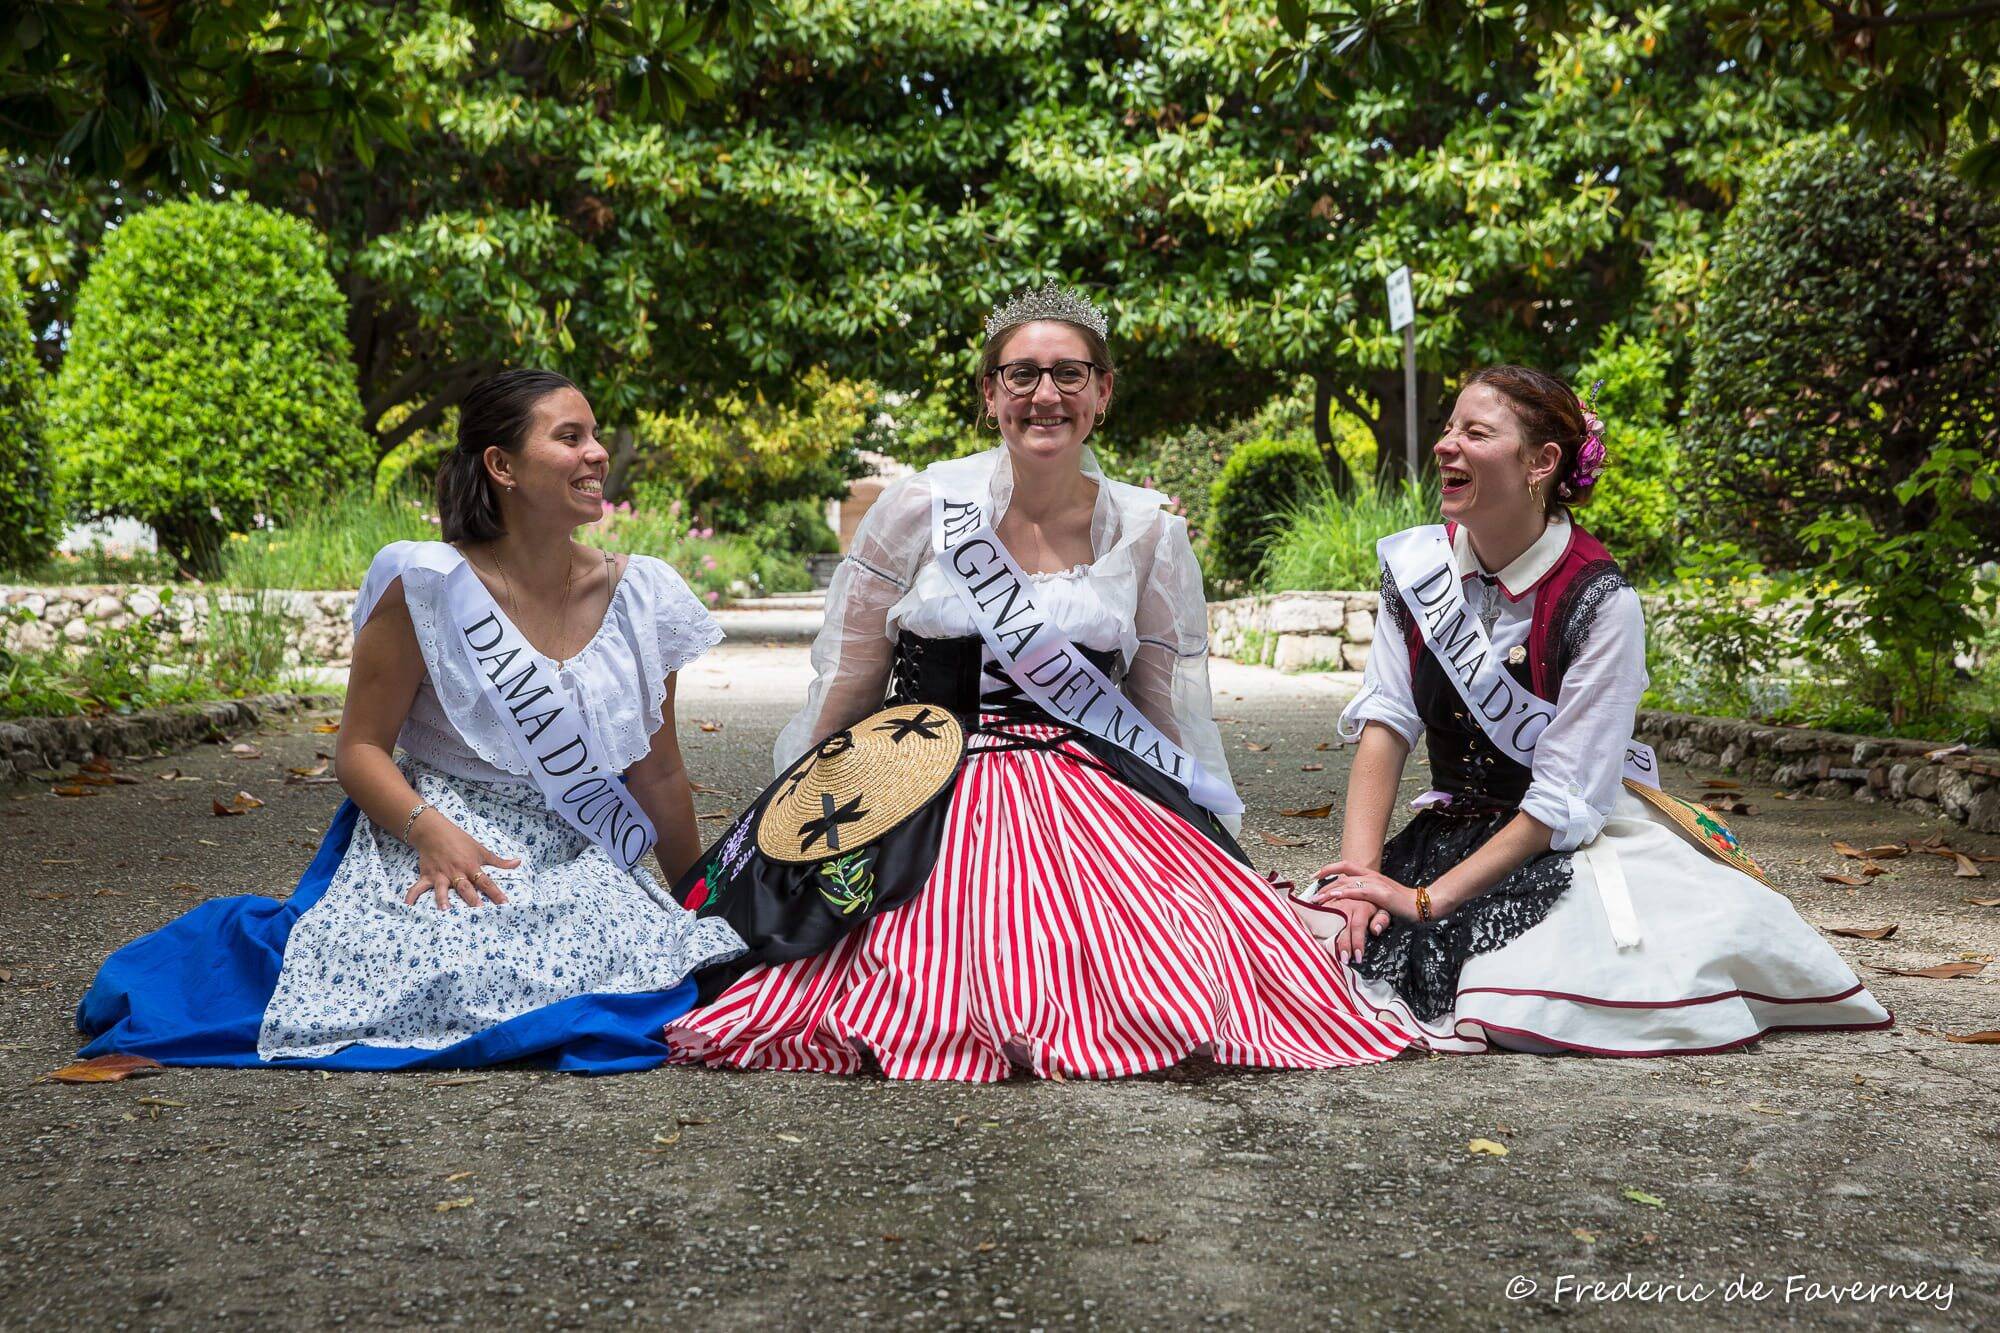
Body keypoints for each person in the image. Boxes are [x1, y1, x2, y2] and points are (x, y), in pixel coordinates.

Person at [663, 284, 1411, 1080]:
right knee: (855, 963)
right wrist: (794, 830)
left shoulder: (1148, 528)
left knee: (1175, 970)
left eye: (1069, 374)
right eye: (1020, 375)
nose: (1044, 395)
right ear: (989, 394)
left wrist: (1205, 843)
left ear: (1103, 392)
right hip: (920, 783)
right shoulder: (918, 508)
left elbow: (1162, 708)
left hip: (1089, 790)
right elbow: (848, 685)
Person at [77, 369, 744, 1072]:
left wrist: (692, 904)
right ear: (502, 465)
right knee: (453, 966)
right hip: (446, 828)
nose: (597, 453)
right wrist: (431, 833)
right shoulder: (428, 585)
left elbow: (659, 771)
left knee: (634, 955)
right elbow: (360, 748)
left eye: (596, 436)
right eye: (570, 437)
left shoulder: (641, 595)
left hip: (577, 847)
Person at [1299, 365, 1891, 1055]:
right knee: (1309, 953)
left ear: (1542, 463)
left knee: (1524, 987)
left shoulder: (1602, 601)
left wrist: (1428, 902)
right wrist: (1359, 883)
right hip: (1445, 833)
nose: (1446, 445)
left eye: (1476, 432)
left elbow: (1558, 804)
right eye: (1449, 427)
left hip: (1553, 844)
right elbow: (1387, 725)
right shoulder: (1418, 570)